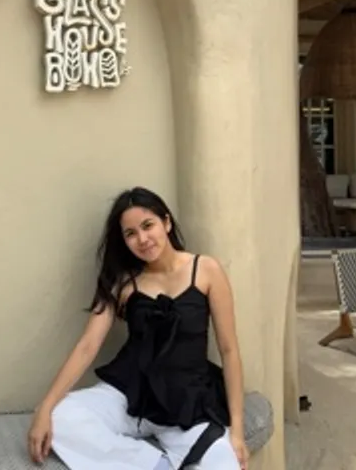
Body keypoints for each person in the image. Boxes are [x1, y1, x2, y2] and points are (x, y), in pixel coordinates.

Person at [27, 187, 248, 470]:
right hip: (130, 394)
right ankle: (156, 466)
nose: (142, 239)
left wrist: (237, 431)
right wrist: (45, 408)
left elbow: (229, 350)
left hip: (186, 399)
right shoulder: (123, 282)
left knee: (225, 463)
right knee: (60, 417)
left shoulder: (206, 269)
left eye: (148, 225)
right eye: (131, 233)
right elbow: (87, 346)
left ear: (166, 222)